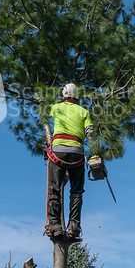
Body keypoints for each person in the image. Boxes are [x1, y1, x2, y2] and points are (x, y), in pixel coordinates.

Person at [46, 83, 94, 239]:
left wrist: (41, 102)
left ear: (63, 95)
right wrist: (97, 152)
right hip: (76, 153)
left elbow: (43, 111)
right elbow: (91, 134)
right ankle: (73, 226)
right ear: (77, 97)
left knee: (54, 190)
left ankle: (55, 225)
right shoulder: (84, 111)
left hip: (57, 152)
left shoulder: (56, 107)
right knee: (77, 192)